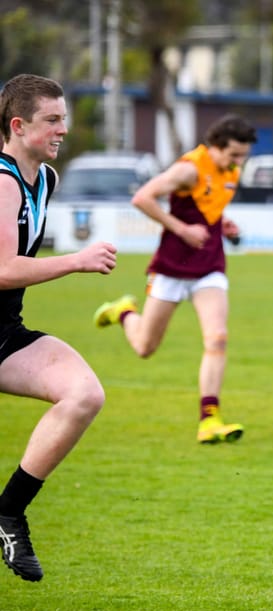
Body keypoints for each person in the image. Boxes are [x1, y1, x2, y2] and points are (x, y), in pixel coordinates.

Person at [0, 74, 119, 581]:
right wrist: (76, 261)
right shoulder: (2, 181)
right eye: (52, 120)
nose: (63, 130)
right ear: (18, 125)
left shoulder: (44, 180)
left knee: (84, 394)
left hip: (4, 331)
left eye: (64, 119)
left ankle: (8, 513)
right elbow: (3, 268)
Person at [93, 114, 257, 444]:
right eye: (235, 155)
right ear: (215, 147)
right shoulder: (189, 169)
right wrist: (181, 229)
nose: (240, 163)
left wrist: (222, 225)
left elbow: (208, 207)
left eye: (243, 155)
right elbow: (142, 198)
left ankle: (209, 419)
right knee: (144, 347)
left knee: (218, 338)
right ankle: (124, 312)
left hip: (209, 267)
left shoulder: (230, 172)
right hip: (171, 268)